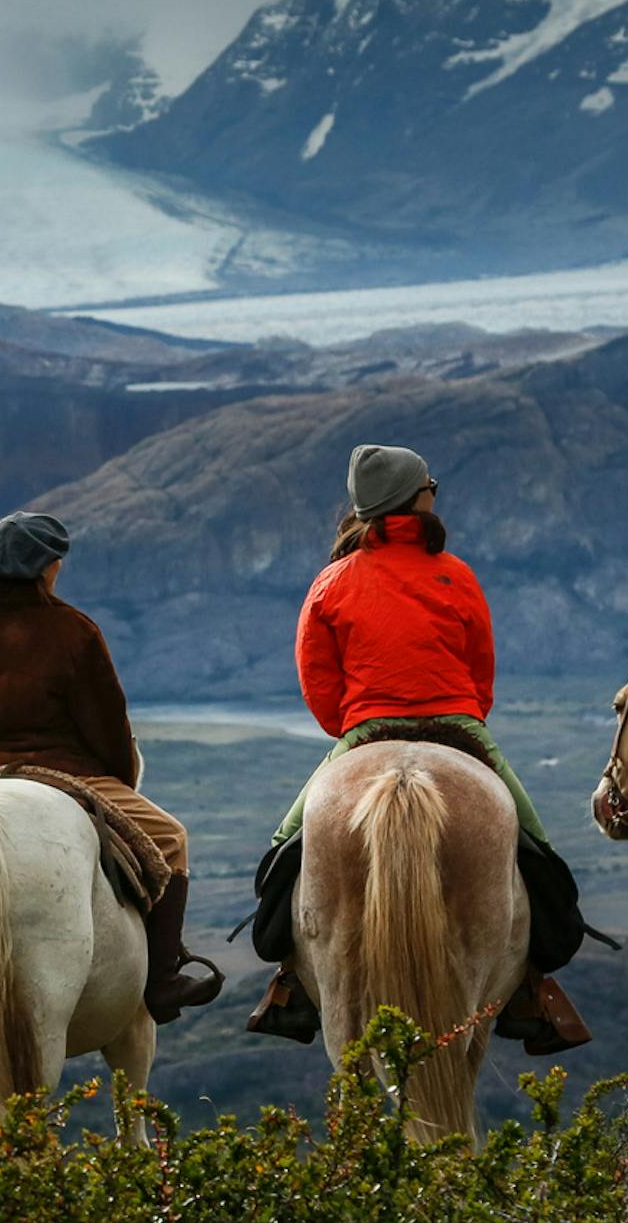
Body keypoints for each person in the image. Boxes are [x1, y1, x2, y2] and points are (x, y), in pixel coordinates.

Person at [248, 445, 591, 1052]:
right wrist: (461, 719)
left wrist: (354, 727)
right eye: (431, 483)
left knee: (283, 855)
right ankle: (529, 987)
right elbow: (481, 669)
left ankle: (294, 981)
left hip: (364, 731)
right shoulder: (455, 574)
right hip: (461, 728)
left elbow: (317, 681)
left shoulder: (331, 582)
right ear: (416, 498)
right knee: (538, 853)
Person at [0, 511, 224, 1023]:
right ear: (50, 567)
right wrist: (118, 777)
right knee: (173, 838)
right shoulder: (73, 630)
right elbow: (106, 722)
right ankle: (161, 981)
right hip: (62, 771)